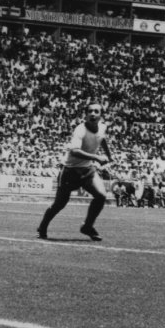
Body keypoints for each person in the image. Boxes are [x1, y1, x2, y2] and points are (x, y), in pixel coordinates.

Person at [37, 101, 113, 241]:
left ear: (101, 115)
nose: (93, 114)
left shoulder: (103, 127)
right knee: (59, 204)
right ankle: (42, 227)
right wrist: (97, 157)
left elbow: (102, 139)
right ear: (85, 114)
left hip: (87, 169)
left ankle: (87, 226)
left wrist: (109, 155)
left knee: (101, 196)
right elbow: (75, 151)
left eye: (96, 111)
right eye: (90, 111)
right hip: (70, 171)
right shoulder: (80, 130)